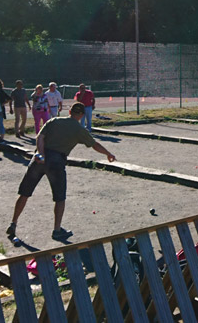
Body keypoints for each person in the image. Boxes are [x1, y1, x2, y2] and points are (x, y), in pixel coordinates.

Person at [6, 102, 117, 242]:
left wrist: (41, 154)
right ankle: (57, 230)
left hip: (39, 160)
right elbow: (95, 144)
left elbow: (40, 137)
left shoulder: (54, 121)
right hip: (56, 162)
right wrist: (108, 154)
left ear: (70, 111)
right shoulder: (79, 129)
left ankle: (13, 223)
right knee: (59, 198)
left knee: (24, 193)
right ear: (82, 115)